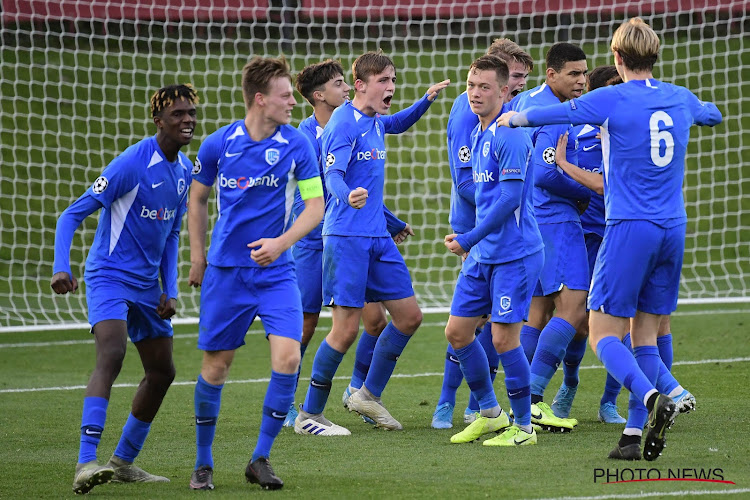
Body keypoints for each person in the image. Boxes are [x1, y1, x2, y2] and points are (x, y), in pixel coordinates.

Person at [498, 17, 721, 460]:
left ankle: (657, 398)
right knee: (648, 337)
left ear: (616, 58)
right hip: (673, 228)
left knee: (602, 334)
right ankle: (634, 436)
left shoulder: (610, 98)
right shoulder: (678, 97)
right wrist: (694, 106)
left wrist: (516, 116)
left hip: (629, 228)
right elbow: (712, 115)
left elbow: (558, 112)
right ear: (655, 56)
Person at [52, 84, 198, 494]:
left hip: (148, 288)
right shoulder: (131, 164)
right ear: (159, 121)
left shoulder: (185, 171)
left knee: (163, 371)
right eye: (178, 114)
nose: (187, 120)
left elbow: (170, 236)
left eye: (191, 113)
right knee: (112, 353)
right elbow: (70, 215)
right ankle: (85, 461)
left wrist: (168, 290)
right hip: (109, 275)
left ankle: (123, 463)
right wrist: (60, 267)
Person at [294, 50, 449, 435]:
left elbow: (397, 122)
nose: (391, 87)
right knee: (345, 330)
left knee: (410, 316)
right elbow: (332, 175)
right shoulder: (342, 124)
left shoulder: (374, 120)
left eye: (393, 80)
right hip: (346, 236)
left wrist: (426, 100)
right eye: (384, 81)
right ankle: (309, 414)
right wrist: (347, 194)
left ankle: (367, 394)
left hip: (377, 236)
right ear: (360, 85)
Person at [187, 57, 324, 490]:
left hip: (277, 273)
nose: (291, 101)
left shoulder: (296, 144)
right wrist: (197, 256)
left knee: (288, 357)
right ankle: (203, 462)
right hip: (227, 274)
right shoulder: (217, 144)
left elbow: (316, 207)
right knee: (217, 367)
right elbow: (198, 199)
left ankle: (260, 457)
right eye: (285, 95)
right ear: (260, 99)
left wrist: (281, 244)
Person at [433, 38, 535, 429]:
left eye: (484, 86)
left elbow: (508, 197)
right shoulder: (475, 126)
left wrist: (471, 237)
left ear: (504, 89)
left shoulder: (508, 130)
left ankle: (520, 425)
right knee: (461, 330)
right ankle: (482, 411)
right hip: (479, 239)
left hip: (507, 246)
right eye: (471, 85)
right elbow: (470, 186)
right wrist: (471, 237)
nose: (475, 93)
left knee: (502, 337)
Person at [510, 42, 590, 433]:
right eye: (573, 73)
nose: (581, 81)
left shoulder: (525, 101)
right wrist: (585, 191)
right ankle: (535, 399)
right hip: (555, 220)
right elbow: (545, 174)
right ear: (551, 74)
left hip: (528, 219)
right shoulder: (556, 113)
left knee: (537, 313)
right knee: (575, 307)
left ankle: (517, 406)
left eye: (584, 73)